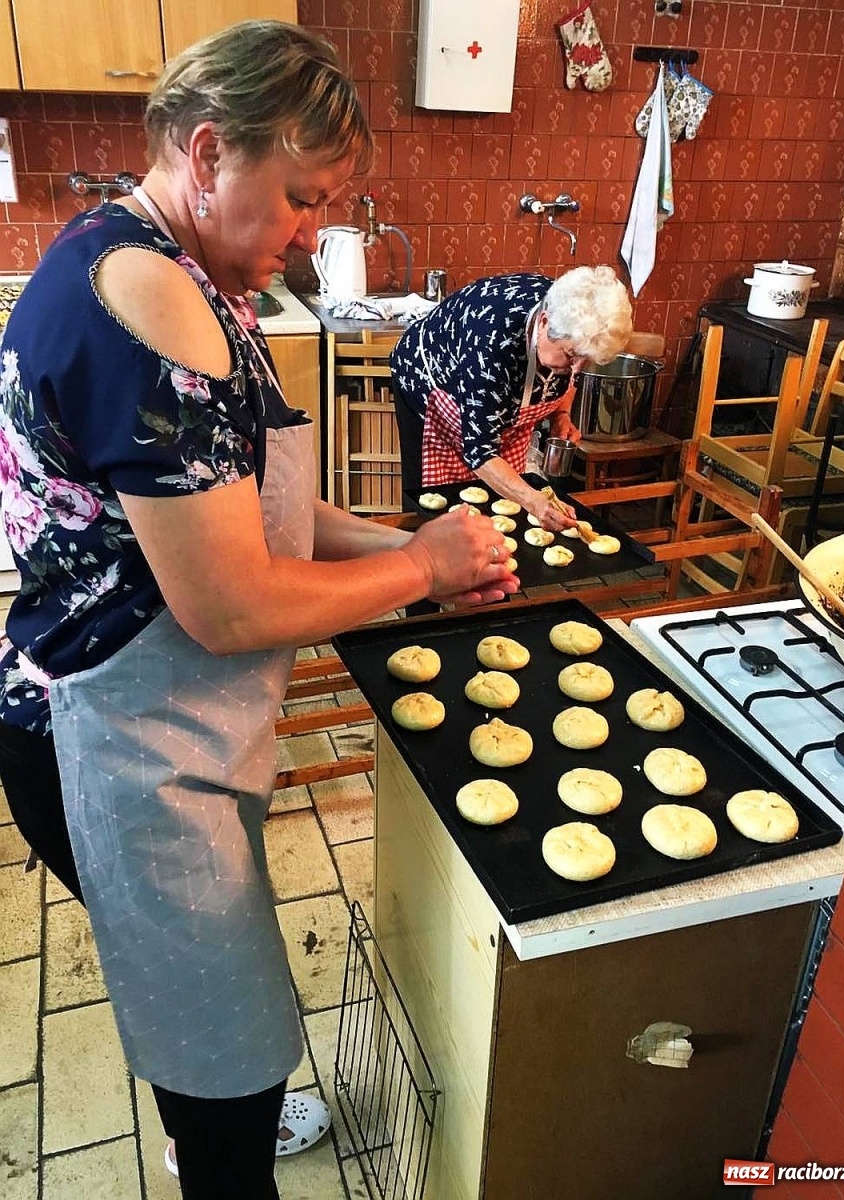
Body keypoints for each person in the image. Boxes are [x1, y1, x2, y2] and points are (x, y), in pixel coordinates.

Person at [0, 21, 518, 1200]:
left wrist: (412, 545)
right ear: (206, 150)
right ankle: (216, 1134)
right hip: (112, 750)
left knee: (211, 1045)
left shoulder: (169, 267)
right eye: (298, 198)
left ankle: (207, 1113)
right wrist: (424, 570)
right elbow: (231, 602)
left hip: (161, 739)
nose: (307, 235)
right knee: (227, 1091)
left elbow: (260, 515)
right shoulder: (148, 300)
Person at [390, 266, 634, 531]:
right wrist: (535, 501)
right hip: (431, 387)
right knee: (437, 509)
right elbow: (481, 452)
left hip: (493, 389)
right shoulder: (491, 346)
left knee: (505, 508)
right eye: (571, 355)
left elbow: (570, 377)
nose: (577, 369)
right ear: (543, 323)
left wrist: (561, 413)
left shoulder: (574, 313)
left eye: (587, 362)